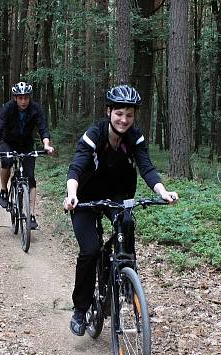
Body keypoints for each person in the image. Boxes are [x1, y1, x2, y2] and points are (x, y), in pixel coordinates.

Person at [63, 84, 178, 336]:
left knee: (126, 223)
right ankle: (80, 309)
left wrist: (163, 192)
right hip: (84, 197)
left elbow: (146, 167)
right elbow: (77, 167)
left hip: (117, 195)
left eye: (129, 114)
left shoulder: (134, 137)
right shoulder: (94, 135)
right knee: (90, 250)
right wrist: (71, 195)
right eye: (119, 113)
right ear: (109, 111)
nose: (124, 120)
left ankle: (126, 277)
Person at [0, 82, 55, 230]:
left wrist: (46, 145)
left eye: (26, 98)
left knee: (30, 177)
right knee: (7, 161)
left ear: (29, 98)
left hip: (26, 144)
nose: (23, 101)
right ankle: (4, 190)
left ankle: (31, 215)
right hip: (8, 142)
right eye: (20, 98)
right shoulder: (8, 108)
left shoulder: (35, 108)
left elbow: (43, 128)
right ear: (15, 98)